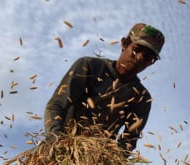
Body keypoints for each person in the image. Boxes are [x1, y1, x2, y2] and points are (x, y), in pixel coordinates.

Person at [44, 23, 165, 153]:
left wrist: (110, 163)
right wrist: (57, 141)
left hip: (96, 160)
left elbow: (129, 140)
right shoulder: (89, 67)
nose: (140, 57)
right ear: (124, 44)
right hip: (60, 146)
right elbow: (57, 105)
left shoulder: (141, 97)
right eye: (137, 49)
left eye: (149, 57)